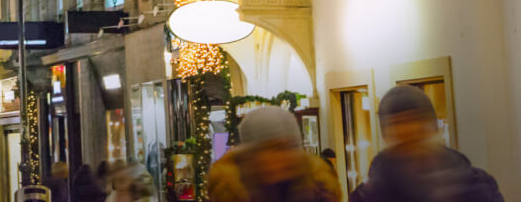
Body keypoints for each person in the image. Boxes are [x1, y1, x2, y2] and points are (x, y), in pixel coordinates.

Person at [349, 86, 502, 202]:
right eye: (397, 126)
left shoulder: (476, 188)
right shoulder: (370, 196)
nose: (408, 132)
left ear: (431, 127)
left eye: (415, 122)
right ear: (387, 137)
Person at [206, 106, 339, 202]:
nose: (285, 156)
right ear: (251, 156)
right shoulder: (231, 195)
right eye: (275, 148)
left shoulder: (320, 193)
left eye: (291, 147)